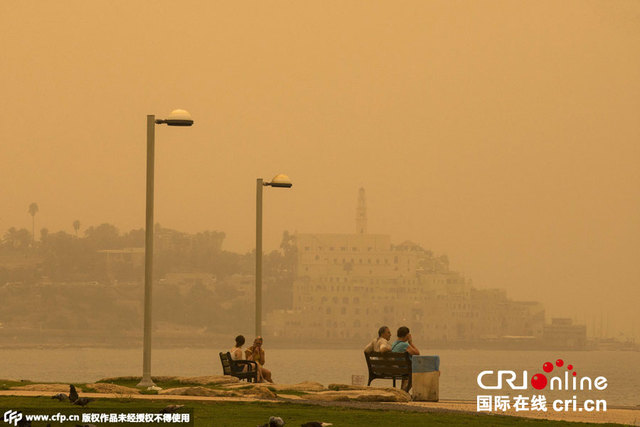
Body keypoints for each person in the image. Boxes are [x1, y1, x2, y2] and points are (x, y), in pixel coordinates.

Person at [391, 326, 420, 392]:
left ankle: (403, 391)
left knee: (407, 368)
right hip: (405, 369)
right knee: (419, 372)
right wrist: (410, 342)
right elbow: (417, 353)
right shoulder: (404, 345)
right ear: (406, 335)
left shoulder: (393, 344)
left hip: (398, 368)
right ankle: (404, 392)